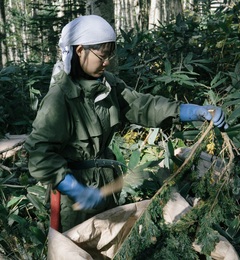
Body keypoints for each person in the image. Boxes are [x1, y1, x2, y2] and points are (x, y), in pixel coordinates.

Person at [24, 15, 228, 233]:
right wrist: (73, 188)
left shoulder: (108, 86)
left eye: (109, 55)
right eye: (101, 56)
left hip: (107, 190)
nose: (107, 62)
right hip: (73, 203)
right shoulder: (60, 98)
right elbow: (39, 154)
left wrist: (192, 111)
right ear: (79, 50)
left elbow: (143, 106)